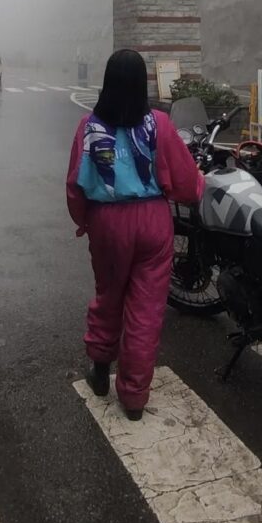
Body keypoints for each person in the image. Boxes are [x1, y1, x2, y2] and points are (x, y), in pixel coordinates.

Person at [66, 49, 204, 420]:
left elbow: (75, 186)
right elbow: (189, 185)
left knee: (108, 296)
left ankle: (99, 369)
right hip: (153, 223)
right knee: (145, 311)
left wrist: (84, 221)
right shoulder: (158, 124)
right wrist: (192, 191)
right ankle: (134, 398)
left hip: (107, 223)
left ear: (108, 83)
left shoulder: (88, 127)